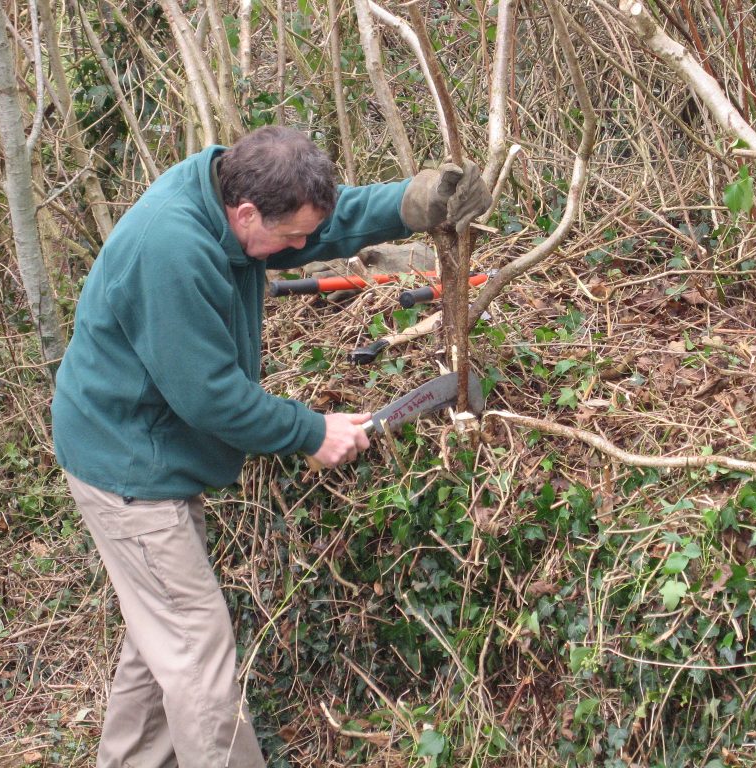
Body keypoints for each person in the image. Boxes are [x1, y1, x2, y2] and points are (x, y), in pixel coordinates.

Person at [51, 125, 491, 767]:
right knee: (198, 661)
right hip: (129, 467)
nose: (302, 248)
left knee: (163, 642)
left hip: (143, 448)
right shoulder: (171, 247)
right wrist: (309, 431)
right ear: (247, 212)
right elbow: (209, 395)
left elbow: (324, 224)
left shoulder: (228, 197)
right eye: (289, 239)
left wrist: (413, 202)